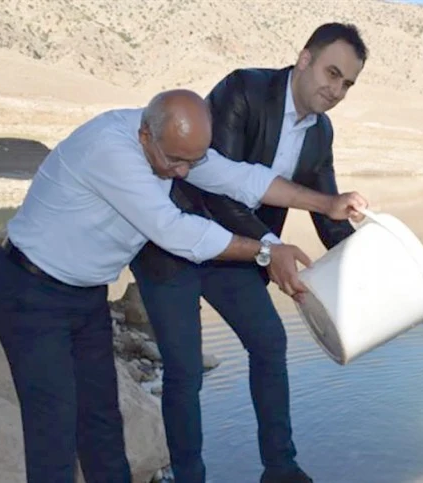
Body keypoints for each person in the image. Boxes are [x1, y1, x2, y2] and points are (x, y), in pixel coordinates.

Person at [0, 89, 368, 483]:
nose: (183, 173)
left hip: (86, 295)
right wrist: (266, 251)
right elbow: (175, 231)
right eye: (175, 162)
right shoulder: (112, 151)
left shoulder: (171, 144)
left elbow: (239, 178)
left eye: (192, 162)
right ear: (145, 136)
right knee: (53, 428)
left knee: (101, 421)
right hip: (30, 292)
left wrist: (327, 204)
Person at [130, 23, 369, 483]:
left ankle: (280, 468)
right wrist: (271, 248)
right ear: (305, 58)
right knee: (185, 368)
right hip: (173, 242)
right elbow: (215, 185)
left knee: (269, 342)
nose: (337, 90)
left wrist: (363, 260)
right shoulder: (244, 90)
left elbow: (327, 208)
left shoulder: (320, 132)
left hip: (238, 253)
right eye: (332, 73)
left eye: (347, 83)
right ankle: (189, 476)